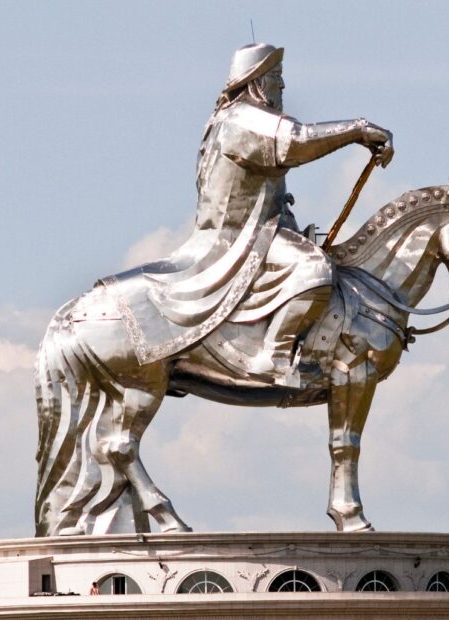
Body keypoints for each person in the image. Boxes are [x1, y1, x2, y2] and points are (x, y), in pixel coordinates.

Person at [115, 43, 393, 383]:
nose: (283, 87)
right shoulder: (243, 119)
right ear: (256, 81)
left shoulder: (233, 119)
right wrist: (357, 129)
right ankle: (274, 356)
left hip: (256, 231)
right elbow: (297, 141)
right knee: (313, 269)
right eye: (276, 77)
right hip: (241, 237)